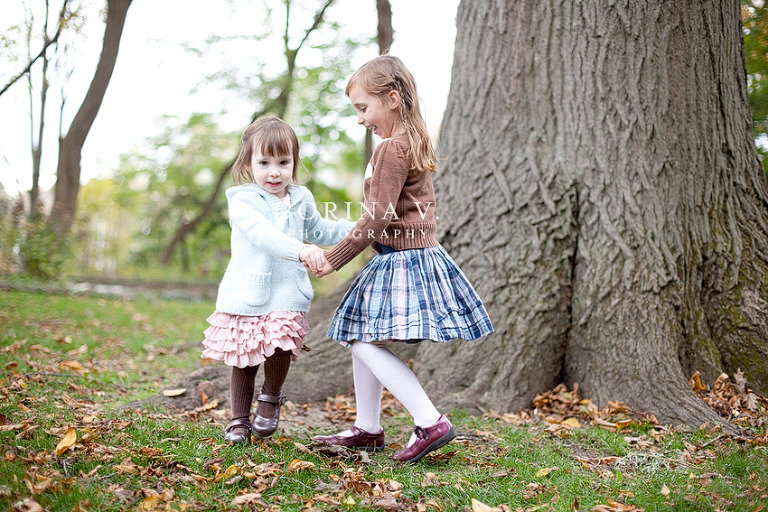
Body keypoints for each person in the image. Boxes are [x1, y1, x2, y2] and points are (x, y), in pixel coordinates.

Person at [311, 55, 494, 463]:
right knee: (363, 335)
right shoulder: (411, 141)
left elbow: (378, 217)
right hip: (413, 256)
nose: (360, 119)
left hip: (402, 261)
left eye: (364, 107)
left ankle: (430, 422)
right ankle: (367, 428)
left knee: (360, 339)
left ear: (392, 99)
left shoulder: (392, 149)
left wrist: (333, 258)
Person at [202, 116, 354, 444]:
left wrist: (360, 228)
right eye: (264, 163)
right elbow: (263, 235)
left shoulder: (301, 197)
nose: (274, 172)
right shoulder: (244, 200)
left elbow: (319, 230)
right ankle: (238, 420)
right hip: (247, 292)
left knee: (282, 343)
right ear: (248, 163)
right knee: (245, 357)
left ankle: (271, 398)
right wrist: (301, 250)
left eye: (283, 162)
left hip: (287, 291)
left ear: (294, 163)